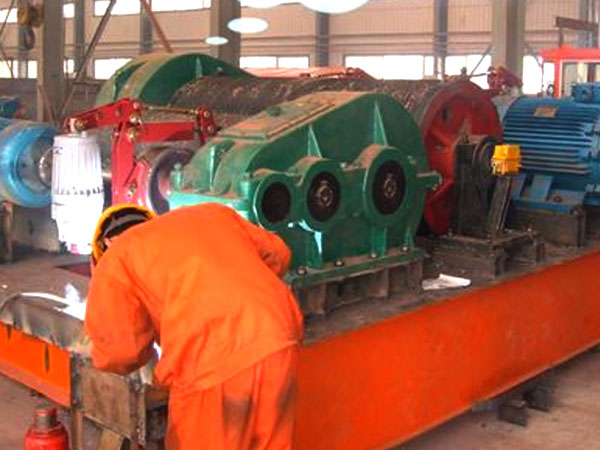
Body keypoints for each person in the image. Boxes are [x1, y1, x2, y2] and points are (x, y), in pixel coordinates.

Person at [84, 203, 303, 450]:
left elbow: (119, 351)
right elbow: (279, 254)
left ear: (103, 248)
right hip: (277, 338)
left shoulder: (116, 257)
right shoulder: (211, 213)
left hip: (208, 363)